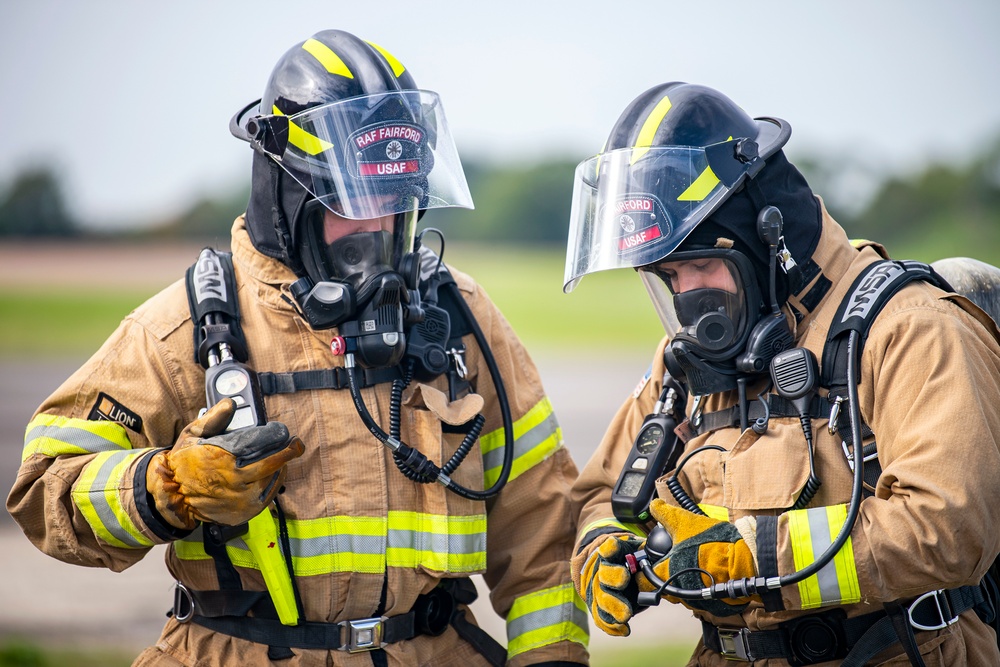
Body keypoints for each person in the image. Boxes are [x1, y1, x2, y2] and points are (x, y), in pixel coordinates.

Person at [7, 29, 589, 667]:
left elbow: (544, 533)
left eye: (394, 203)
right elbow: (44, 491)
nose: (376, 228)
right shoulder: (186, 330)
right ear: (285, 196)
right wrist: (164, 486)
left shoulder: (459, 318)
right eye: (352, 200)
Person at [564, 81, 1000, 665]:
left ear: (769, 241)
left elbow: (949, 528)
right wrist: (604, 550)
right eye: (670, 277)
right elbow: (599, 493)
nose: (690, 301)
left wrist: (753, 558)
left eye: (701, 266)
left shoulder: (912, 329)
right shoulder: (689, 360)